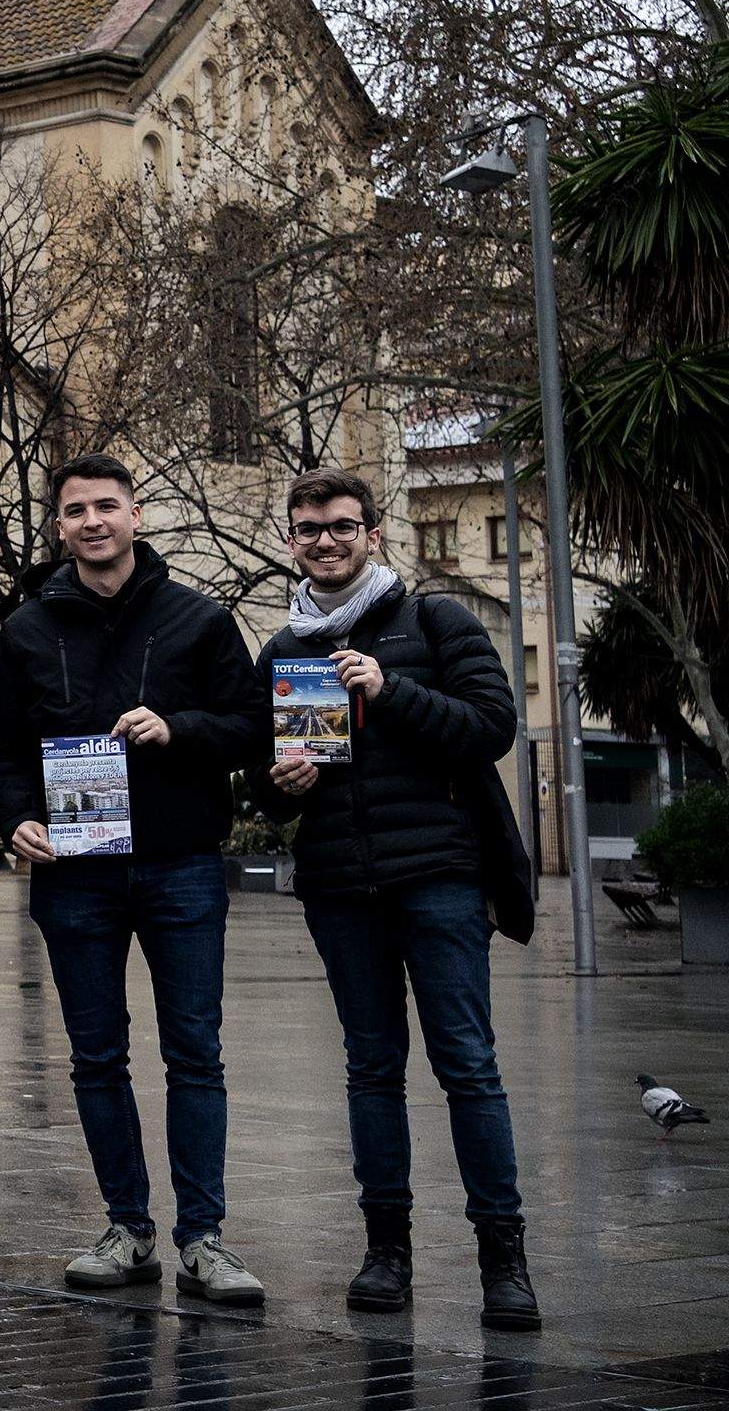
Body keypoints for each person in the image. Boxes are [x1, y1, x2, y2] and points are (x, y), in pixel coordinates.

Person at [0, 454, 272, 1305]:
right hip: (75, 873)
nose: (93, 521)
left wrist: (176, 728)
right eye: (76, 510)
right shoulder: (29, 629)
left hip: (179, 864)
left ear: (137, 517)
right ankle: (128, 1228)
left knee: (195, 1055)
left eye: (107, 506)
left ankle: (204, 1238)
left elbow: (253, 728)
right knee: (97, 1059)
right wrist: (19, 813)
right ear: (59, 527)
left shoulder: (199, 620)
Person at [256, 468, 539, 1331]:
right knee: (371, 1070)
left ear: (374, 534)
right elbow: (266, 799)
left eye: (342, 526)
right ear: (292, 542)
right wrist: (283, 782)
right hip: (342, 888)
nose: (326, 541)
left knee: (469, 1066)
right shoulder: (283, 653)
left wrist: (390, 688)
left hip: (442, 880)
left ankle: (504, 1260)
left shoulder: (436, 620)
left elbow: (493, 727)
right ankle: (387, 1253)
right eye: (309, 530)